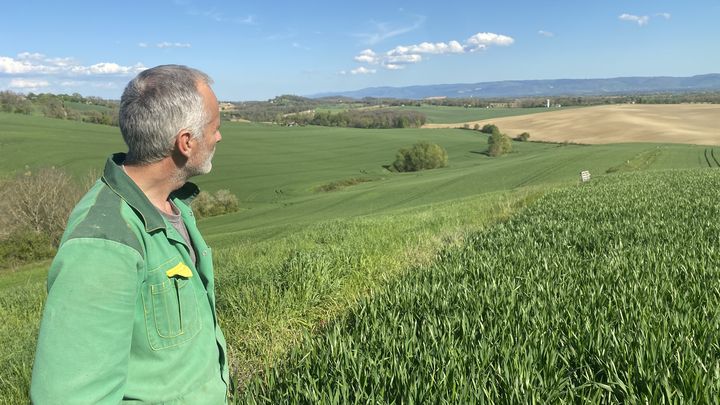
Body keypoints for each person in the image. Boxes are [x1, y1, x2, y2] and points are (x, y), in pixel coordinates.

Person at [30, 65, 229, 403]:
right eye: (215, 127)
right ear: (186, 142)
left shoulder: (170, 205)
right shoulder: (105, 242)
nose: (219, 136)